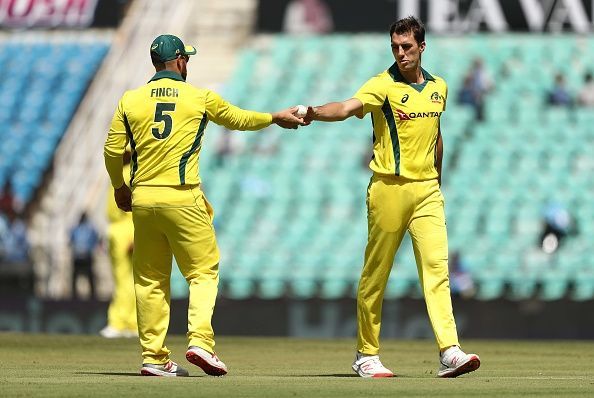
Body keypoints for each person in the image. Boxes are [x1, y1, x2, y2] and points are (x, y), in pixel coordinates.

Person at [104, 34, 305, 377]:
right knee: (202, 272)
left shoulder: (131, 99)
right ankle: (200, 341)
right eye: (187, 60)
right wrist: (273, 117)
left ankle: (153, 358)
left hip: (144, 198)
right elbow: (238, 119)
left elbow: (111, 150)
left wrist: (119, 188)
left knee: (150, 280)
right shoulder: (198, 97)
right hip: (183, 196)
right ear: (180, 61)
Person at [301, 16, 480, 378]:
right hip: (388, 188)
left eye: (407, 47)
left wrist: (437, 181)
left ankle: (450, 351)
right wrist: (314, 112)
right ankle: (366, 354)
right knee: (376, 274)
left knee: (437, 271)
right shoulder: (382, 85)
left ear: (422, 47)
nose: (401, 53)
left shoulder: (438, 87)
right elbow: (349, 107)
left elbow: (437, 136)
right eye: (395, 47)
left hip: (427, 191)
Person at [100, 149, 137, 338]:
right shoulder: (119, 173)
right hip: (116, 228)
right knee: (121, 279)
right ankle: (127, 323)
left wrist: (135, 235)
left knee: (127, 279)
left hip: (128, 227)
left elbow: (137, 205)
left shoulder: (131, 172)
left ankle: (122, 322)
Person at [69, 212, 99, 299]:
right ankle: (93, 296)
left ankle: (74, 296)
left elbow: (70, 241)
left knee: (75, 277)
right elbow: (96, 239)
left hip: (78, 256)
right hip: (86, 256)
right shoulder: (90, 229)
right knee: (90, 277)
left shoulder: (75, 229)